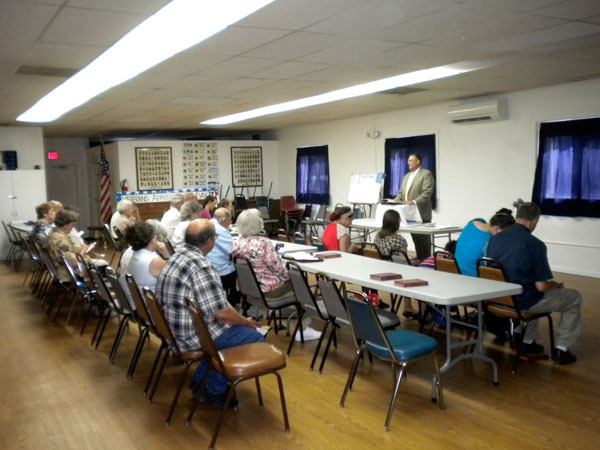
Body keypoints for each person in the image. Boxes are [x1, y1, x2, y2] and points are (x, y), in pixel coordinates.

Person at [155, 219, 263, 406]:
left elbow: (215, 307)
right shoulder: (202, 266)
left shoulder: (176, 257)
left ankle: (201, 382)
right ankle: (211, 390)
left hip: (173, 331)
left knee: (231, 332)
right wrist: (247, 322)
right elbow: (222, 314)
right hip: (192, 337)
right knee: (254, 337)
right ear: (209, 242)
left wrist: (239, 320)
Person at [487, 202, 582, 365]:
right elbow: (542, 287)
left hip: (499, 299)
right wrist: (555, 285)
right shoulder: (535, 245)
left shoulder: (495, 239)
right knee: (574, 298)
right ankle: (562, 349)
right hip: (522, 303)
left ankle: (526, 340)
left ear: (517, 217)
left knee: (528, 287)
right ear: (534, 221)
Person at [232, 209, 321, 341]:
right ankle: (302, 328)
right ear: (258, 224)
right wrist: (289, 276)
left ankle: (290, 323)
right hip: (268, 291)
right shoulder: (263, 242)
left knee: (293, 286)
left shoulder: (236, 243)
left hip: (250, 291)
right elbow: (277, 267)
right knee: (300, 285)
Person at [393, 153, 435, 262]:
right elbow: (401, 193)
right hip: (408, 213)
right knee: (415, 237)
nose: (408, 162)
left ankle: (426, 260)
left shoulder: (426, 174)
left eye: (411, 160)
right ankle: (420, 257)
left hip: (421, 212)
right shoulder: (406, 176)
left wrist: (414, 201)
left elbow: (427, 192)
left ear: (418, 162)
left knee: (423, 238)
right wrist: (392, 203)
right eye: (408, 160)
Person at [454, 208, 515, 277]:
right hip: (474, 279)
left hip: (457, 272)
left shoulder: (471, 224)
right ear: (497, 229)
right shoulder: (490, 241)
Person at [121, 222, 169, 293]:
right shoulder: (155, 261)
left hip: (136, 301)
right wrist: (167, 255)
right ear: (152, 239)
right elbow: (174, 279)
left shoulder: (134, 255)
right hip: (152, 302)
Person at [47, 209, 91, 281]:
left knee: (99, 264)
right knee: (102, 266)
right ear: (65, 225)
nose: (73, 227)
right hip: (69, 273)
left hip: (65, 270)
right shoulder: (60, 240)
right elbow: (74, 264)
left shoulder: (55, 234)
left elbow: (71, 251)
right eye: (72, 224)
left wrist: (80, 248)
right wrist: (83, 251)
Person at [207, 207, 240, 305]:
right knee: (244, 272)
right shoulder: (220, 230)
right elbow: (233, 251)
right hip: (222, 274)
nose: (230, 223)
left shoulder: (209, 223)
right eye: (230, 220)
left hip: (210, 269)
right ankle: (233, 303)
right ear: (224, 219)